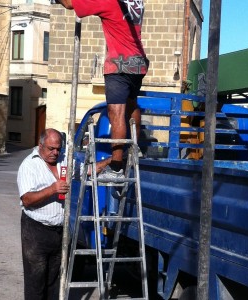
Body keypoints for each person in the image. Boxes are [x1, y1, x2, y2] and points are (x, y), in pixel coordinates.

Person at [57, 0, 149, 178]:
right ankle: (134, 149)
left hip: (118, 64)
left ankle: (116, 167)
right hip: (138, 63)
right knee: (132, 105)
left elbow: (69, 4)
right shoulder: (137, 1)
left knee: (116, 113)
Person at [17, 128, 69, 300]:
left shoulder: (64, 161)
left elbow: (87, 171)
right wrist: (52, 189)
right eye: (51, 148)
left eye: (58, 149)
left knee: (54, 282)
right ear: (40, 146)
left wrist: (111, 162)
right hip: (36, 232)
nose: (55, 152)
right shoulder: (29, 165)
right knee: (35, 282)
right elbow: (27, 200)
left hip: (59, 231)